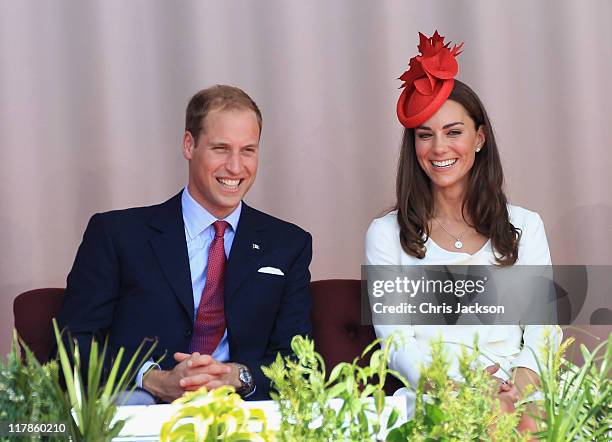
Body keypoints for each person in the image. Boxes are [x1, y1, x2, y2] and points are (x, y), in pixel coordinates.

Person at [57, 85, 312, 403]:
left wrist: (236, 376)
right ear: (189, 145)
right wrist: (152, 379)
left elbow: (299, 363)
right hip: (144, 404)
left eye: (248, 150)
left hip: (243, 410)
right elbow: (72, 345)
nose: (235, 167)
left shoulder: (288, 244)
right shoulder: (117, 234)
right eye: (221, 149)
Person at [365, 32, 561, 422]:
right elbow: (395, 341)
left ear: (479, 138)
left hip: (519, 394)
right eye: (426, 135)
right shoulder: (386, 234)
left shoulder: (525, 225)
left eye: (453, 132)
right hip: (433, 397)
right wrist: (450, 389)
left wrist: (519, 387)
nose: (439, 148)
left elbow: (544, 330)